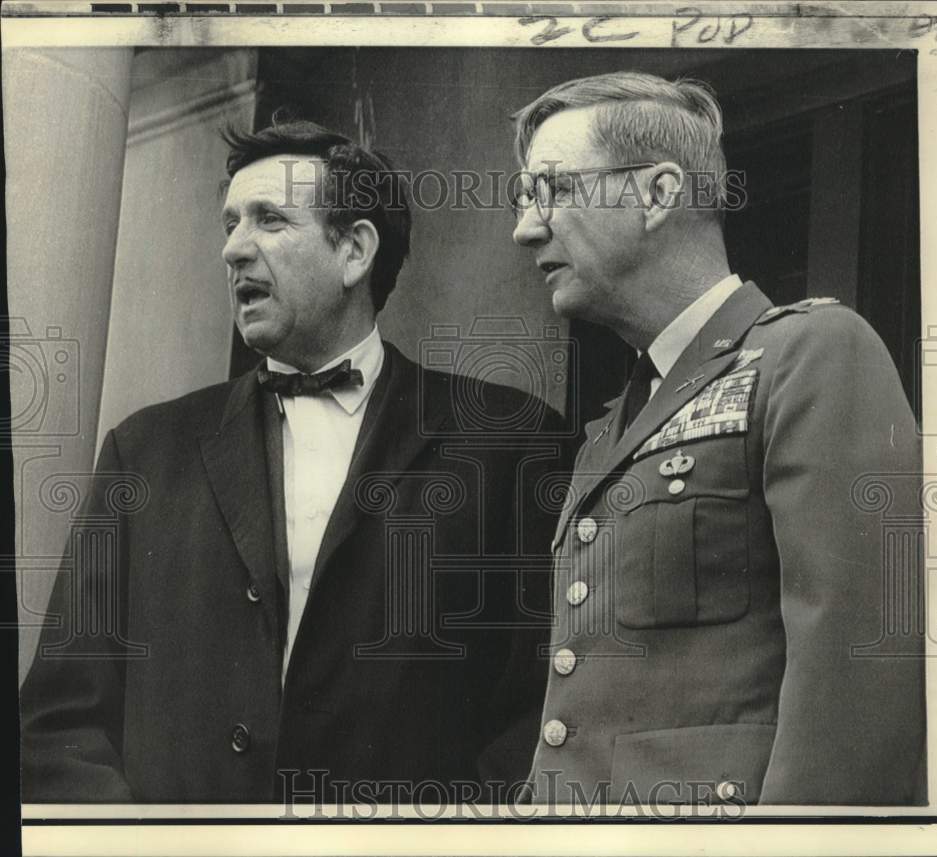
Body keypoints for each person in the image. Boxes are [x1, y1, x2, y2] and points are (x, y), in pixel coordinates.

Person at [20, 121, 560, 804]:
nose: (233, 249)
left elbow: (539, 714)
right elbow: (59, 721)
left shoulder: (509, 444)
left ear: (355, 251)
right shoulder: (144, 450)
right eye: (230, 223)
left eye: (269, 220)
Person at [509, 72, 925, 806]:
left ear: (659, 193)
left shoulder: (814, 353)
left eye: (552, 190)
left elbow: (862, 672)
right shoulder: (612, 430)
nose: (525, 226)